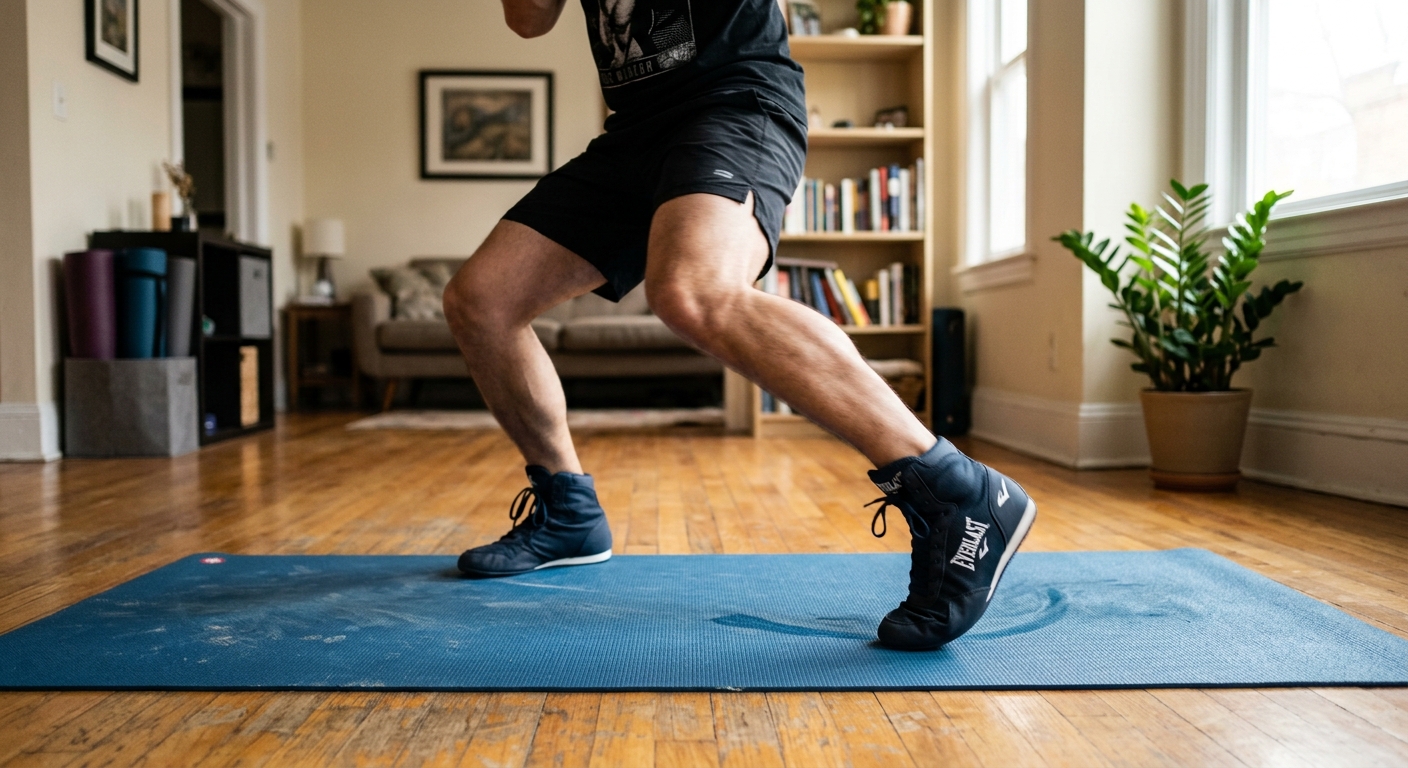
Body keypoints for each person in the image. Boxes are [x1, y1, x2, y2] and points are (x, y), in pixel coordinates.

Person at [446, 0, 1038, 651]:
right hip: (634, 132)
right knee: (481, 301)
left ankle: (958, 492)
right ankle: (567, 513)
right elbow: (528, 20)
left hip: (736, 103)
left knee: (694, 291)